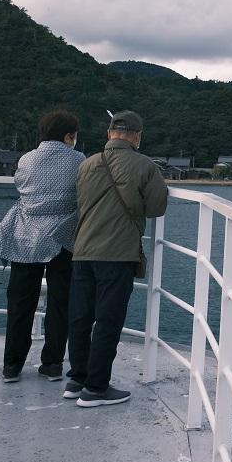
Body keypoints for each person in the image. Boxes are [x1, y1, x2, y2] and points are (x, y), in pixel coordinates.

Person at [64, 110, 167, 407]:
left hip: (82, 250)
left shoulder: (87, 164)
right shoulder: (145, 166)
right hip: (117, 253)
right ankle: (96, 389)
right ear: (136, 136)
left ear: (110, 134)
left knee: (81, 317)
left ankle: (77, 379)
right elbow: (156, 207)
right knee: (108, 321)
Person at [0, 110, 85, 383]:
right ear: (69, 136)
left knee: (20, 302)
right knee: (60, 301)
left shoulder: (26, 159)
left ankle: (12, 365)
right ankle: (52, 364)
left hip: (25, 235)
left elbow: (20, 185)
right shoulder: (78, 160)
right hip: (63, 236)